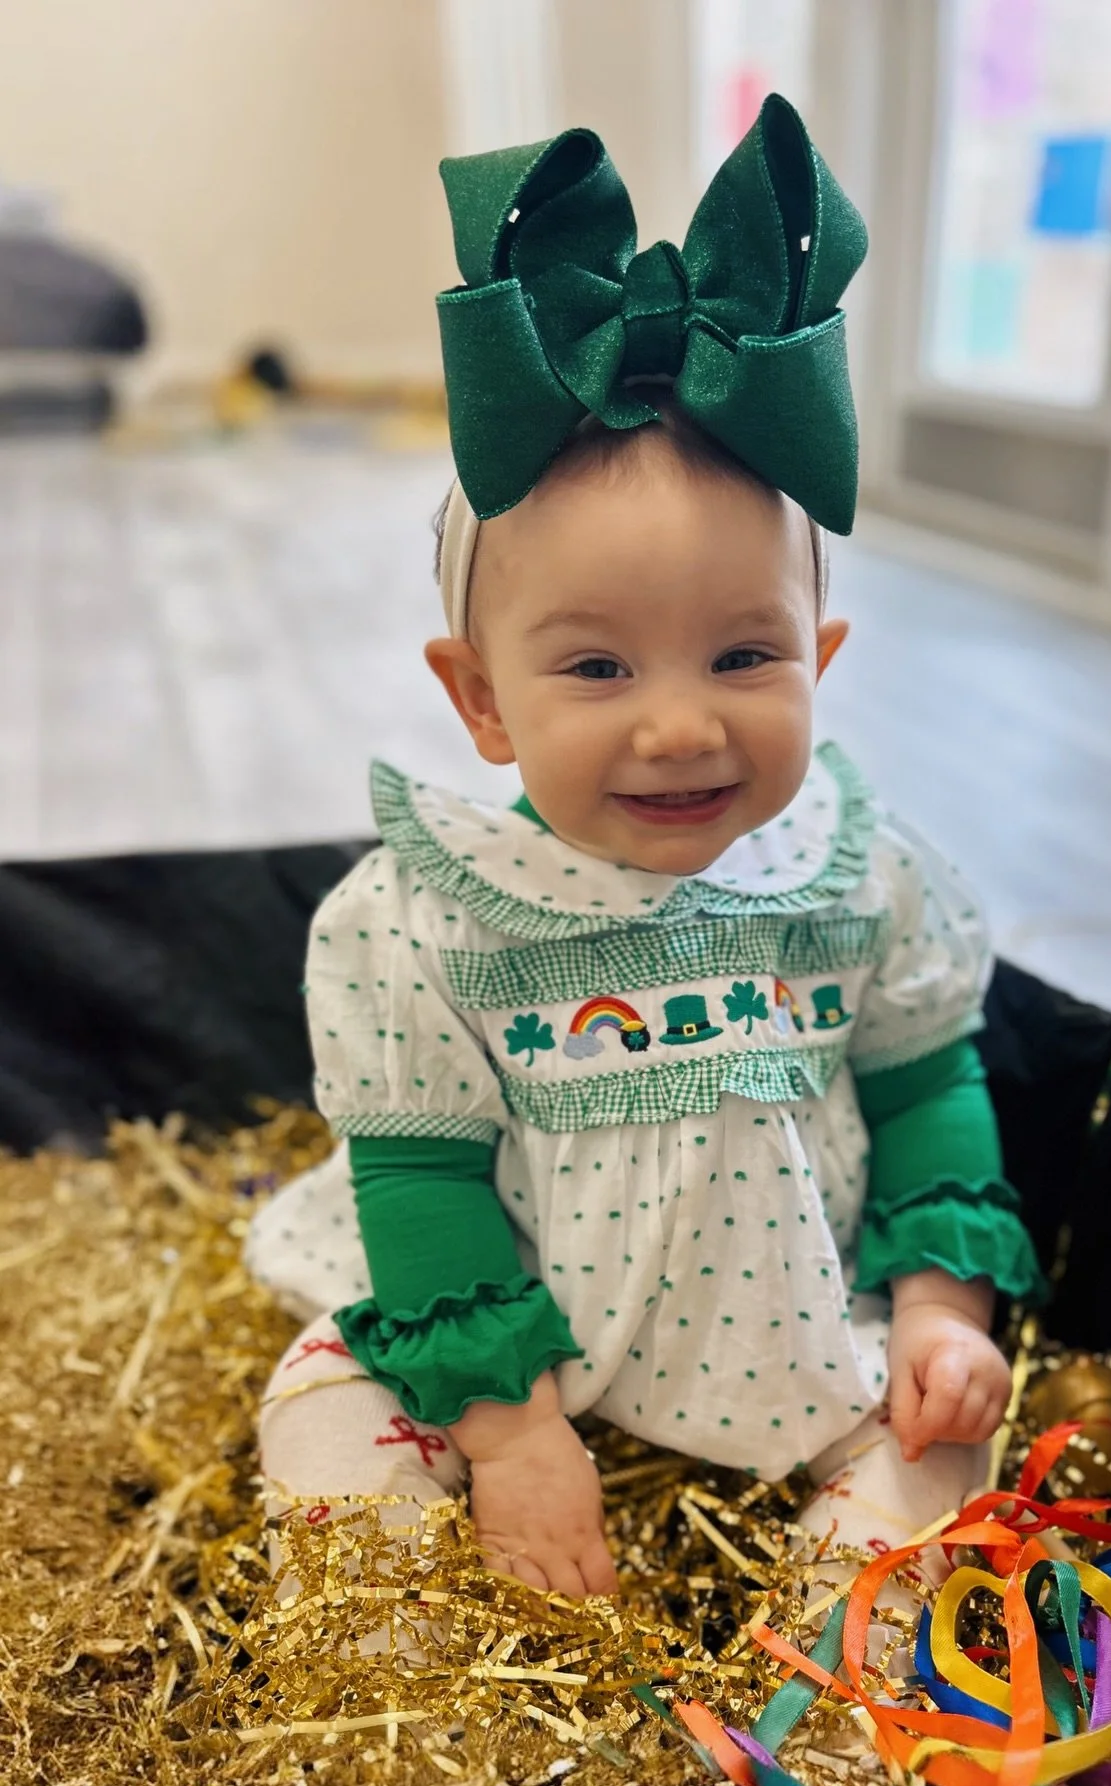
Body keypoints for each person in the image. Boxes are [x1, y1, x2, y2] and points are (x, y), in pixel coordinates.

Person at [246, 94, 1046, 1599]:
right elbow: (421, 1187)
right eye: (598, 670)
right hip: (503, 1308)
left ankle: (823, 1691)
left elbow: (930, 1083)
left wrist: (944, 1315)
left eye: (745, 658)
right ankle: (420, 1669)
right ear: (479, 701)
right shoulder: (429, 923)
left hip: (788, 1315)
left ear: (826, 654)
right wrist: (508, 1435)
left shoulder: (859, 875)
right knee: (340, 1465)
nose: (679, 730)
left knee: (936, 1470)